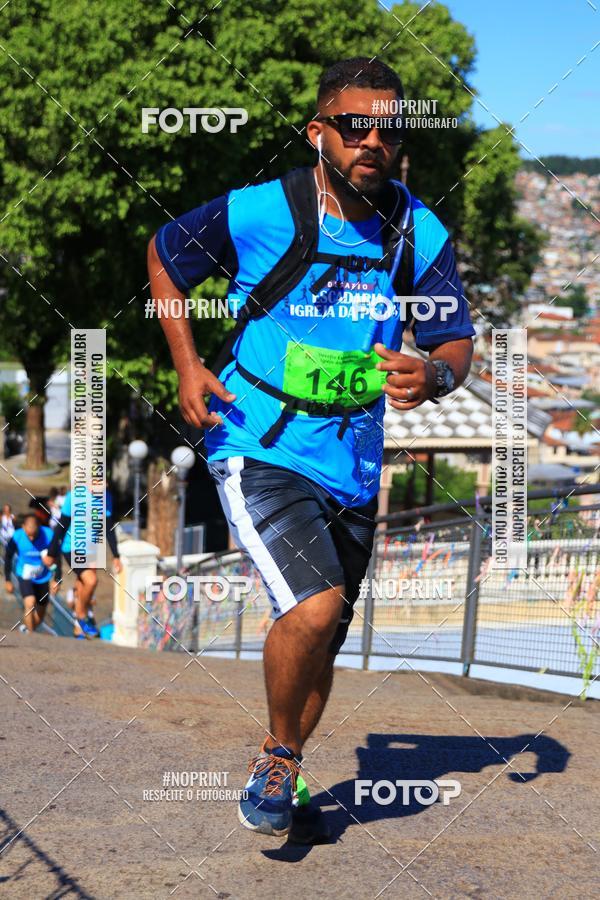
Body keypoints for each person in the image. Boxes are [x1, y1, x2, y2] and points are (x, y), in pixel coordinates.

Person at [148, 57, 475, 840]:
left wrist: (431, 373)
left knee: (324, 628)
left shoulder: (417, 231)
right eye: (353, 125)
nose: (371, 141)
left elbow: (455, 341)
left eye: (386, 130)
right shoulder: (267, 211)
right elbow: (164, 253)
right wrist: (189, 366)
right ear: (318, 131)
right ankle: (276, 755)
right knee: (314, 604)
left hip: (355, 460)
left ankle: (285, 758)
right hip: (258, 436)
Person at [44, 484, 122, 639]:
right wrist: (51, 552)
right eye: (97, 481)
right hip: (72, 546)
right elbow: (62, 525)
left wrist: (116, 555)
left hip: (92, 548)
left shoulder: (107, 497)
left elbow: (107, 526)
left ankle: (78, 628)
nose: (102, 485)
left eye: (104, 481)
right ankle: (81, 617)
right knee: (91, 581)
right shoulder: (74, 496)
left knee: (83, 584)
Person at [4, 512, 58, 632]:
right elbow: (8, 557)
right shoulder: (17, 536)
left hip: (43, 576)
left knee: (41, 611)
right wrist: (7, 580)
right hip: (25, 575)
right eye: (29, 536)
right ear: (23, 527)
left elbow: (57, 557)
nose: (32, 539)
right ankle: (31, 636)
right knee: (30, 602)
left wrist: (57, 579)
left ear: (39, 527)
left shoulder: (48, 534)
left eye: (34, 535)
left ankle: (28, 629)